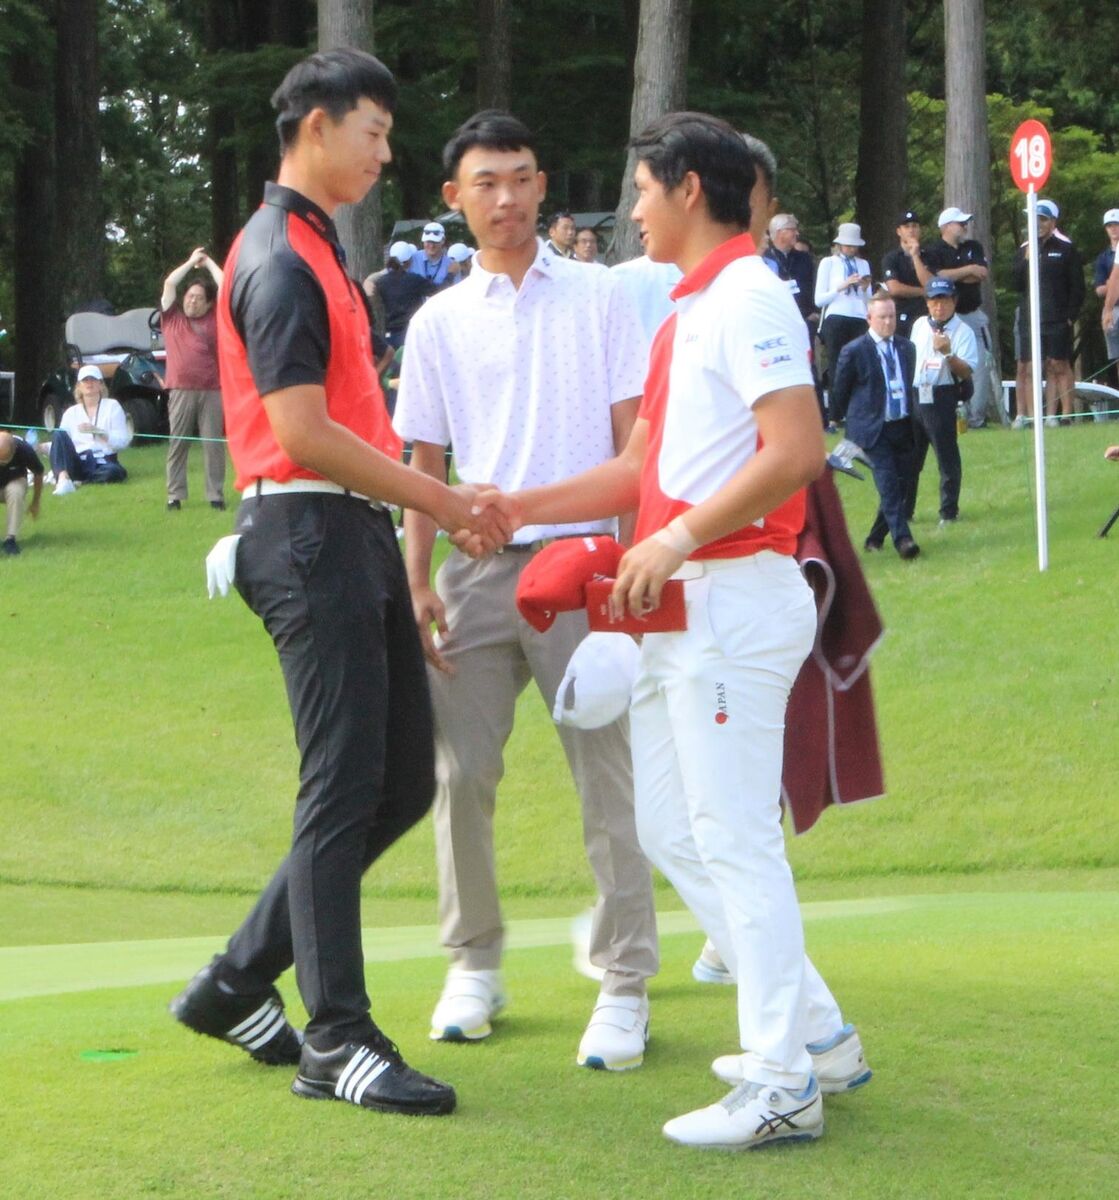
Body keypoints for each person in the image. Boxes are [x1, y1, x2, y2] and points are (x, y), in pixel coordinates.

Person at [471, 112, 870, 1151]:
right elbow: (636, 472)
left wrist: (679, 535)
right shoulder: (686, 311)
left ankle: (784, 1078)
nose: (632, 210)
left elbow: (798, 449)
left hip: (731, 597)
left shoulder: (750, 296)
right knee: (671, 831)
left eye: (642, 190)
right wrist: (520, 506)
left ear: (690, 189)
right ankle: (815, 1034)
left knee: (735, 841)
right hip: (681, 607)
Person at [169, 47, 506, 1120]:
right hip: (307, 534)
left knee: (400, 781)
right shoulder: (276, 258)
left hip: (345, 537)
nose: (385, 150)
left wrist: (406, 535)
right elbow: (301, 431)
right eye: (373, 130)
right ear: (316, 126)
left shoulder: (313, 247)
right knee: (342, 783)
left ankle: (233, 981)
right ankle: (336, 1036)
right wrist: (443, 503)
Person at [392, 110, 658, 1072]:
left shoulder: (598, 296)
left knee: (607, 777)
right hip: (471, 571)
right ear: (453, 199)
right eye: (485, 183)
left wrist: (634, 568)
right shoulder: (436, 321)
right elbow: (422, 462)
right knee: (459, 775)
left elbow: (636, 449)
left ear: (544, 186)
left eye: (520, 178)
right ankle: (473, 962)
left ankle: (625, 980)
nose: (505, 200)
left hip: (586, 566)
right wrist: (415, 576)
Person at [829, 294, 920, 558]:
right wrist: (847, 420)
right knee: (888, 482)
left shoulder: (906, 348)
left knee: (902, 485)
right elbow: (840, 391)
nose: (888, 322)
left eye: (892, 316)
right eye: (882, 317)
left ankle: (875, 537)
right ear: (870, 319)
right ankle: (903, 540)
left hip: (901, 425)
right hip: (872, 429)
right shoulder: (855, 350)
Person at [160, 248, 227, 511]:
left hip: (212, 389)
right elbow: (169, 283)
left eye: (199, 298)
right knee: (178, 443)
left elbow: (225, 284)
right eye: (189, 296)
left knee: (213, 445)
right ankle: (174, 496)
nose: (192, 302)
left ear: (209, 303)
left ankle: (216, 496)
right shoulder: (171, 318)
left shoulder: (215, 319)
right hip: (179, 390)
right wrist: (190, 262)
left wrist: (209, 262)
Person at [909, 278, 977, 526]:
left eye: (945, 301)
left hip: (942, 394)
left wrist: (948, 353)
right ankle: (907, 510)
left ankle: (948, 510)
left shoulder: (963, 331)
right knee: (911, 457)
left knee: (946, 455)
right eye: (934, 301)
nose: (939, 307)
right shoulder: (919, 326)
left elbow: (966, 371)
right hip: (917, 392)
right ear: (927, 303)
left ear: (954, 302)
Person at [917, 207, 993, 428]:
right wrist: (968, 269)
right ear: (946, 226)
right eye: (960, 223)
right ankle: (949, 413)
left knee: (977, 365)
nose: (965, 227)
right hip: (946, 318)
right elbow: (936, 277)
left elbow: (980, 275)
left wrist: (953, 275)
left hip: (972, 314)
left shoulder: (973, 247)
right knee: (942, 364)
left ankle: (976, 418)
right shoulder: (934, 250)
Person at [1012, 198, 1084, 427]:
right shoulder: (1025, 249)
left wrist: (1070, 316)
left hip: (1057, 317)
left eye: (1042, 219)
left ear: (1053, 221)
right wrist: (1026, 260)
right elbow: (1015, 284)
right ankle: (1030, 416)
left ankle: (1062, 415)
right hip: (1029, 318)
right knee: (1028, 366)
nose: (1038, 223)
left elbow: (1077, 286)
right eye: (1034, 218)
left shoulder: (1065, 248)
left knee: (1058, 364)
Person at [49, 365, 131, 494]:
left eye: (93, 380)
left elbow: (123, 442)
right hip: (77, 462)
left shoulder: (112, 406)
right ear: (79, 386)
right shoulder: (71, 412)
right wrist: (39, 447)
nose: (89, 383)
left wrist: (100, 432)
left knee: (114, 472)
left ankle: (80, 481)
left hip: (103, 462)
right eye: (85, 380)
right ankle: (63, 478)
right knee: (59, 434)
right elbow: (61, 445)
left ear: (100, 384)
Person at [815, 223, 871, 402]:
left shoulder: (863, 264)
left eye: (854, 246)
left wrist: (864, 288)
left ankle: (858, 404)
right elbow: (819, 299)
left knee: (860, 363)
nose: (851, 249)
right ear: (839, 245)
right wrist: (841, 286)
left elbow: (869, 302)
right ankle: (835, 412)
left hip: (859, 317)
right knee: (836, 363)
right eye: (847, 245)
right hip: (836, 317)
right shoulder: (829, 263)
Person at [367, 240, 434, 348]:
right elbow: (438, 290)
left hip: (391, 335)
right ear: (408, 261)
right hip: (412, 332)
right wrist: (450, 275)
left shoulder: (381, 282)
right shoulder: (414, 280)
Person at [880, 210, 927, 341]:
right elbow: (894, 288)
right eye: (906, 227)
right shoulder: (891, 258)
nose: (911, 230)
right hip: (903, 315)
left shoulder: (929, 255)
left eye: (914, 226)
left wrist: (916, 256)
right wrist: (922, 291)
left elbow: (930, 283)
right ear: (899, 231)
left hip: (926, 314)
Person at [0, 431, 43, 555]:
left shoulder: (24, 449)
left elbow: (38, 472)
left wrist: (35, 502)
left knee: (15, 492)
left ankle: (10, 539)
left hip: (15, 480)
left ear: (14, 451)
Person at [1094, 208, 1119, 384]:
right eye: (1109, 226)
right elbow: (1100, 288)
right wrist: (1108, 308)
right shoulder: (1103, 258)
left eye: (1116, 225)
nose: (1113, 229)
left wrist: (1110, 284)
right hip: (1114, 306)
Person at [410, 221, 452, 286]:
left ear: (443, 240)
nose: (431, 246)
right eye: (428, 242)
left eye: (435, 242)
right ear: (423, 242)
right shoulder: (412, 259)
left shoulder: (450, 264)